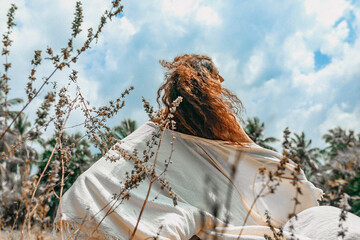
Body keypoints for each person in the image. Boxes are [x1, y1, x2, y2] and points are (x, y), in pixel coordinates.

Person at [55, 54, 360, 239]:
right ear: (211, 83)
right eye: (218, 81)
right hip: (189, 220)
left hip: (103, 206)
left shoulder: (159, 129)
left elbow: (105, 172)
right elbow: (250, 158)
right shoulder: (204, 126)